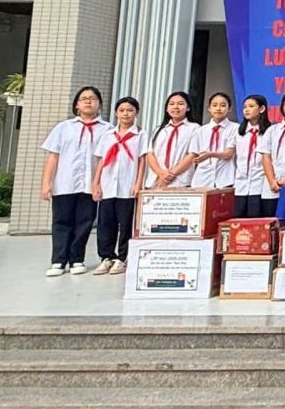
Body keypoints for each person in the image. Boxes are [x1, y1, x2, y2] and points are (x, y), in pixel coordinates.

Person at [39, 86, 107, 276]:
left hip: (90, 185)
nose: (88, 101)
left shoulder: (107, 130)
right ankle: (58, 261)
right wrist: (46, 183)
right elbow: (53, 156)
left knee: (84, 222)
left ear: (99, 104)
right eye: (84, 98)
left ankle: (77, 259)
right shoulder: (63, 128)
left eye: (92, 98)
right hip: (64, 183)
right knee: (61, 221)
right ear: (77, 104)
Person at [89, 95, 140, 275]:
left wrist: (138, 183)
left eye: (130, 110)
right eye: (122, 110)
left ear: (136, 113)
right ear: (116, 113)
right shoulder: (108, 135)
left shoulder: (140, 135)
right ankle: (106, 257)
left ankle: (122, 257)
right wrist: (96, 184)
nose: (126, 114)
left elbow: (142, 161)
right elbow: (102, 161)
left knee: (126, 223)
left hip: (127, 187)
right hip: (108, 185)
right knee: (105, 223)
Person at [142, 91, 196, 189]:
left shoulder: (195, 129)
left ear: (188, 108)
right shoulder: (159, 129)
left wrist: (171, 175)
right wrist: (161, 173)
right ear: (167, 109)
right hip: (156, 182)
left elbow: (192, 154)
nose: (175, 107)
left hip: (181, 183)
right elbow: (150, 154)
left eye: (180, 104)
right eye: (171, 104)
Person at [185, 92, 236, 189]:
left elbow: (228, 154)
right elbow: (193, 154)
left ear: (229, 108)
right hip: (202, 179)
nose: (218, 109)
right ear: (209, 108)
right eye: (214, 105)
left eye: (223, 105)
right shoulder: (200, 131)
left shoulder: (235, 128)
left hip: (225, 179)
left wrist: (210, 154)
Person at [231, 94, 269, 218]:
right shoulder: (238, 131)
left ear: (262, 109)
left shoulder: (270, 131)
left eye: (251, 106)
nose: (247, 110)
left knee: (256, 219)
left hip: (260, 184)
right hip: (240, 184)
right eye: (245, 107)